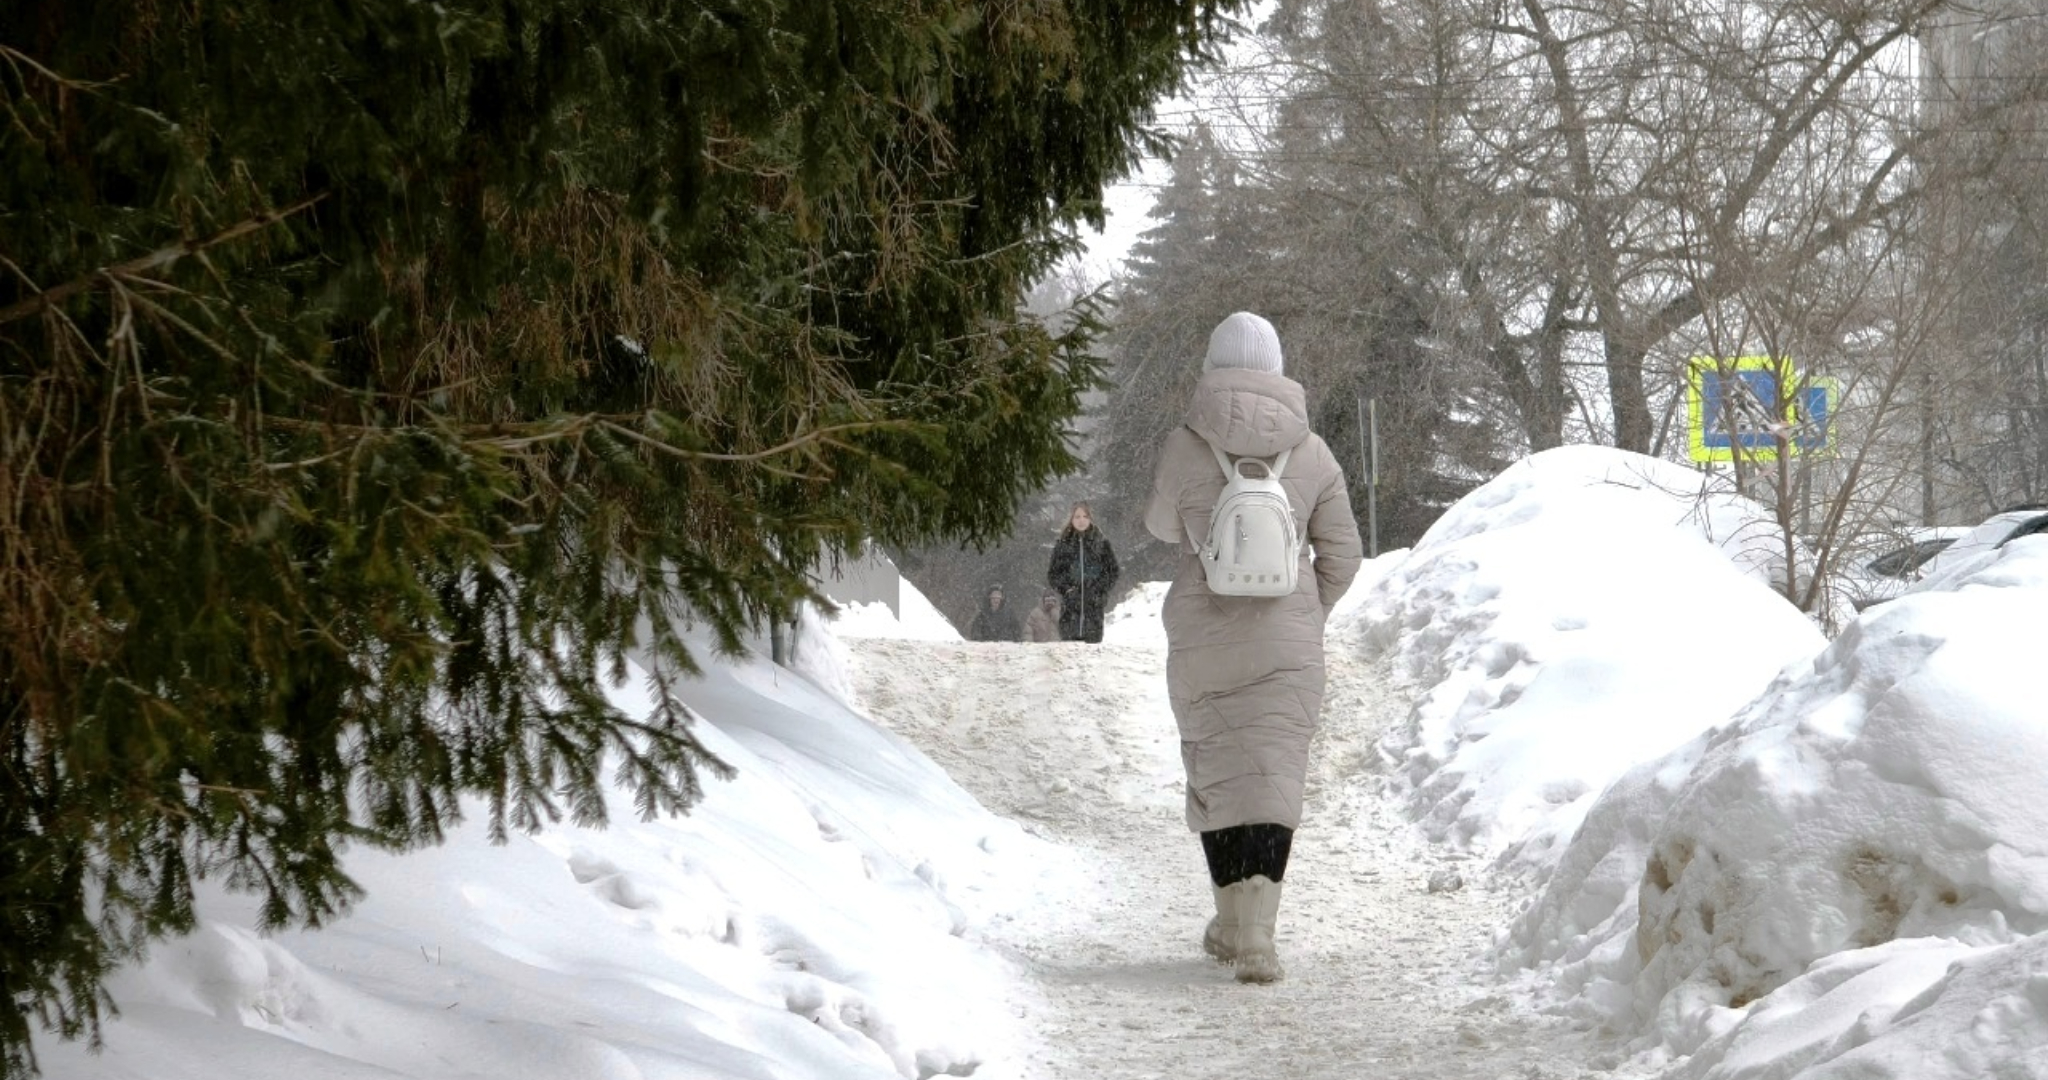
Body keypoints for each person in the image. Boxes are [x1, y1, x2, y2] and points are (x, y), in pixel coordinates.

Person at [1142, 311, 1363, 984]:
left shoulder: (1184, 446)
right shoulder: (1316, 453)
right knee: (1273, 777)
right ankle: (1259, 937)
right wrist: (1304, 611)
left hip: (1205, 637)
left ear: (1211, 368)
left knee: (1218, 774)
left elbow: (1158, 526)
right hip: (1288, 639)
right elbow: (1346, 555)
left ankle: (1230, 922)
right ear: (1277, 370)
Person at [1046, 502, 1119, 644]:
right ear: (1071, 519)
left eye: (1085, 516)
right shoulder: (1063, 544)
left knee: (1091, 654)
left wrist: (1099, 589)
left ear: (1090, 519)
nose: (1081, 520)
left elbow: (1113, 571)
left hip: (1094, 610)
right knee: (1070, 655)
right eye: (1077, 516)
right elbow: (1053, 574)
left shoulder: (1101, 543)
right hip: (1070, 610)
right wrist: (1067, 589)